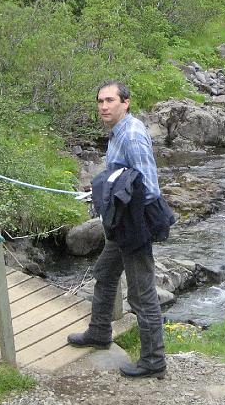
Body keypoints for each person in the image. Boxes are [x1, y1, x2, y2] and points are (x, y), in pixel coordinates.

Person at [66, 80, 168, 378]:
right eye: (100, 101)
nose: (103, 106)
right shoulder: (118, 131)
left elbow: (148, 187)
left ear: (126, 102)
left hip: (134, 224)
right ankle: (99, 332)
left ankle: (153, 360)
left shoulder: (133, 135)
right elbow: (120, 176)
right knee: (105, 273)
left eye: (109, 100)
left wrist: (124, 215)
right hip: (120, 222)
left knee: (141, 293)